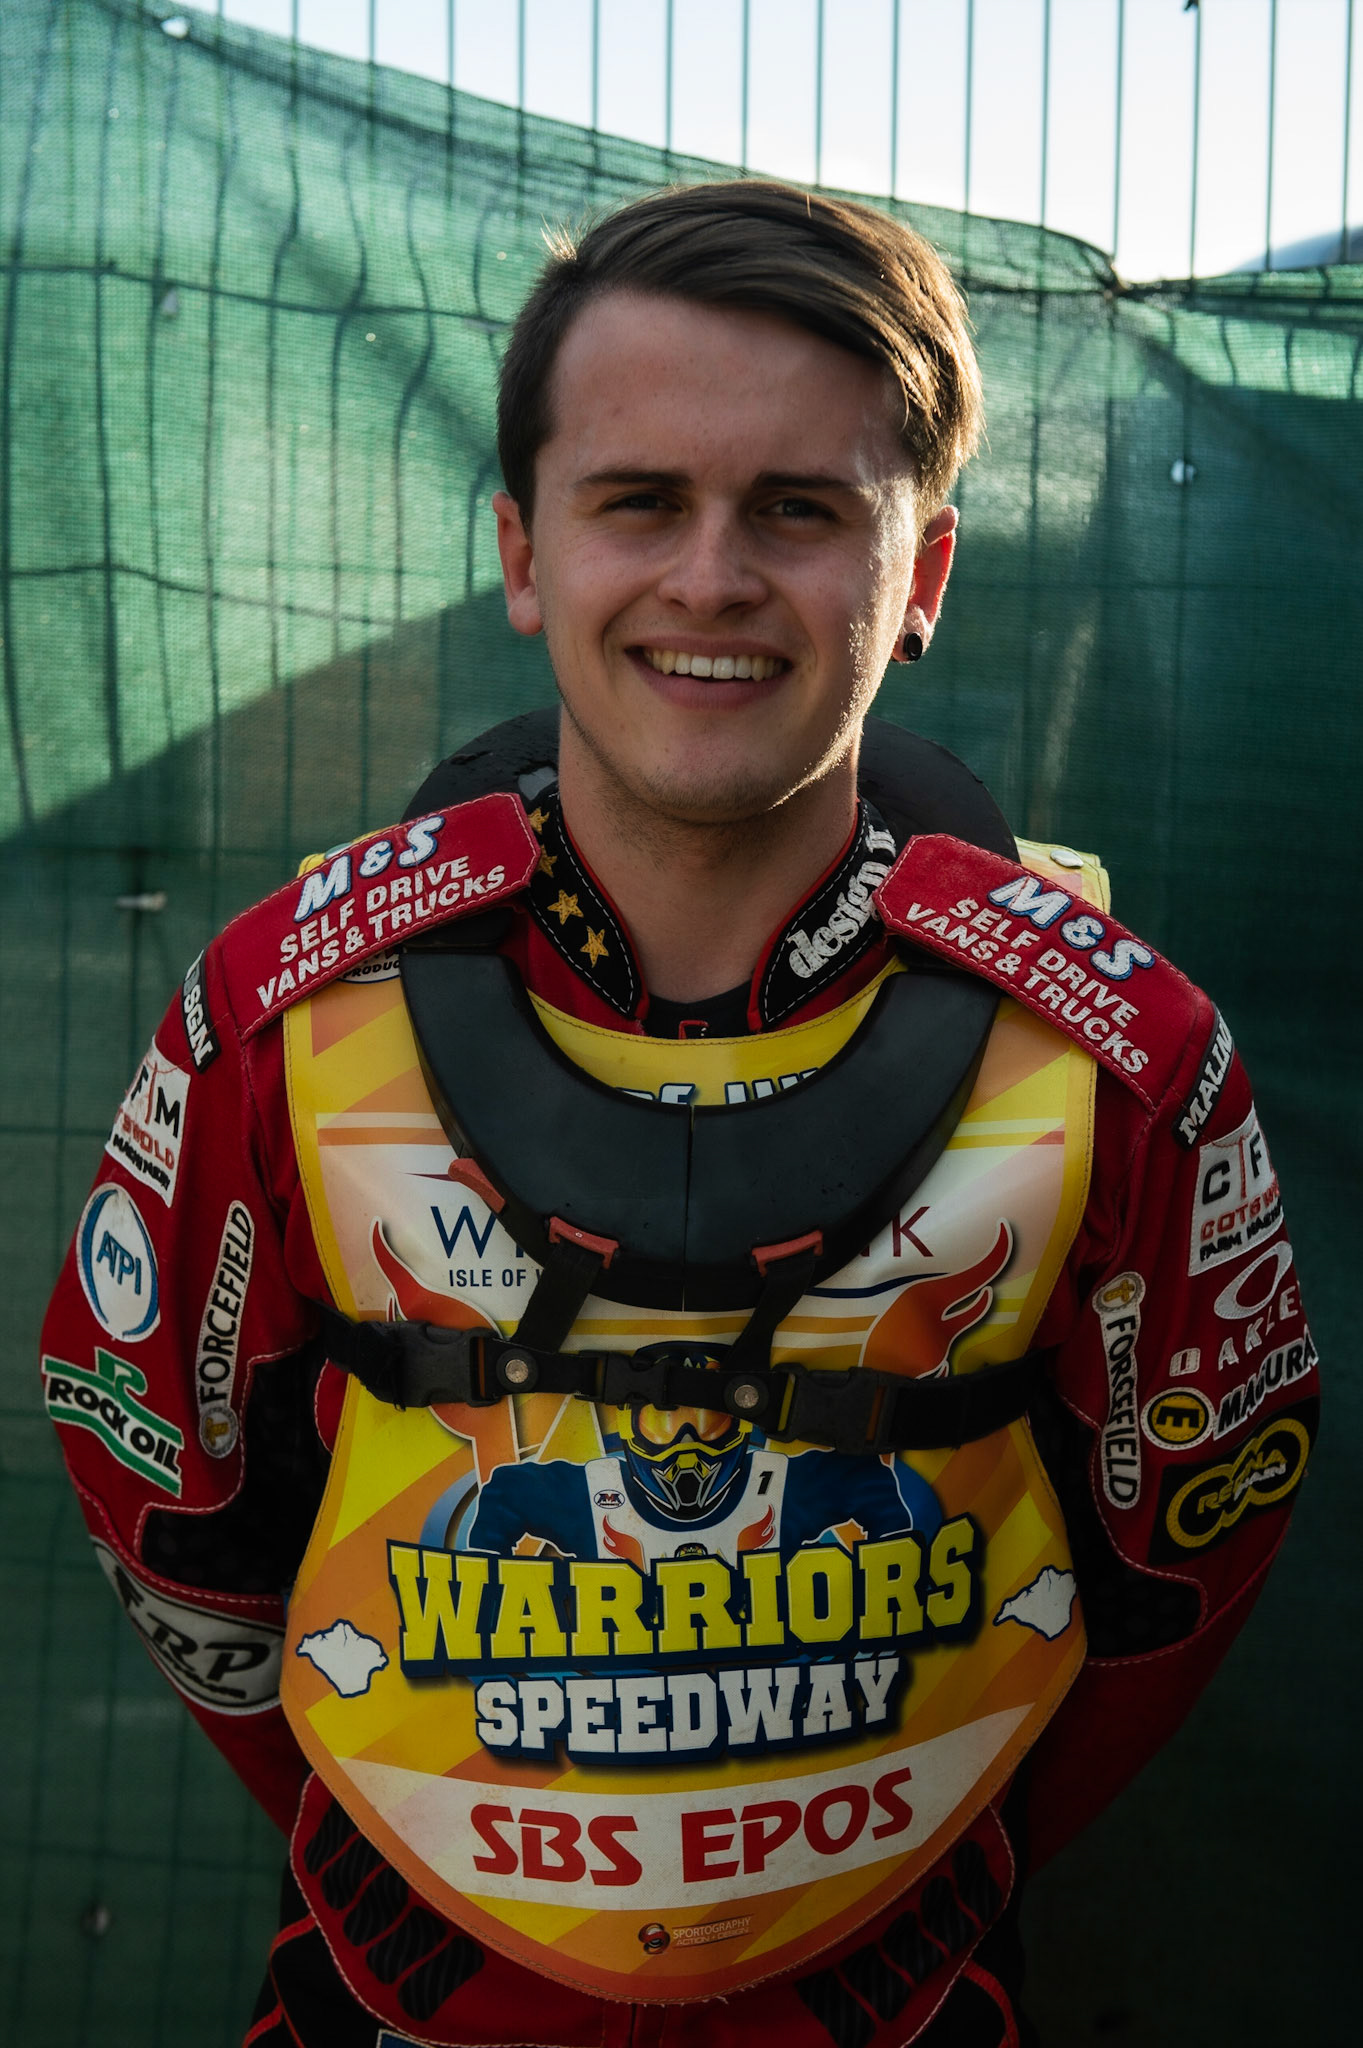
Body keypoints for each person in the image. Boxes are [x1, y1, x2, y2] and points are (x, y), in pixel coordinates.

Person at [41, 181, 1317, 2048]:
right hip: (402, 1990)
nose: (712, 578)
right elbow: (156, 1486)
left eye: (800, 512)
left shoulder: (1121, 1043)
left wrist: (901, 1851)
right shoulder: (282, 1009)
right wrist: (421, 1841)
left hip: (899, 1992)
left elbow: (1188, 1555)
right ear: (524, 551)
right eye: (641, 500)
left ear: (929, 575)